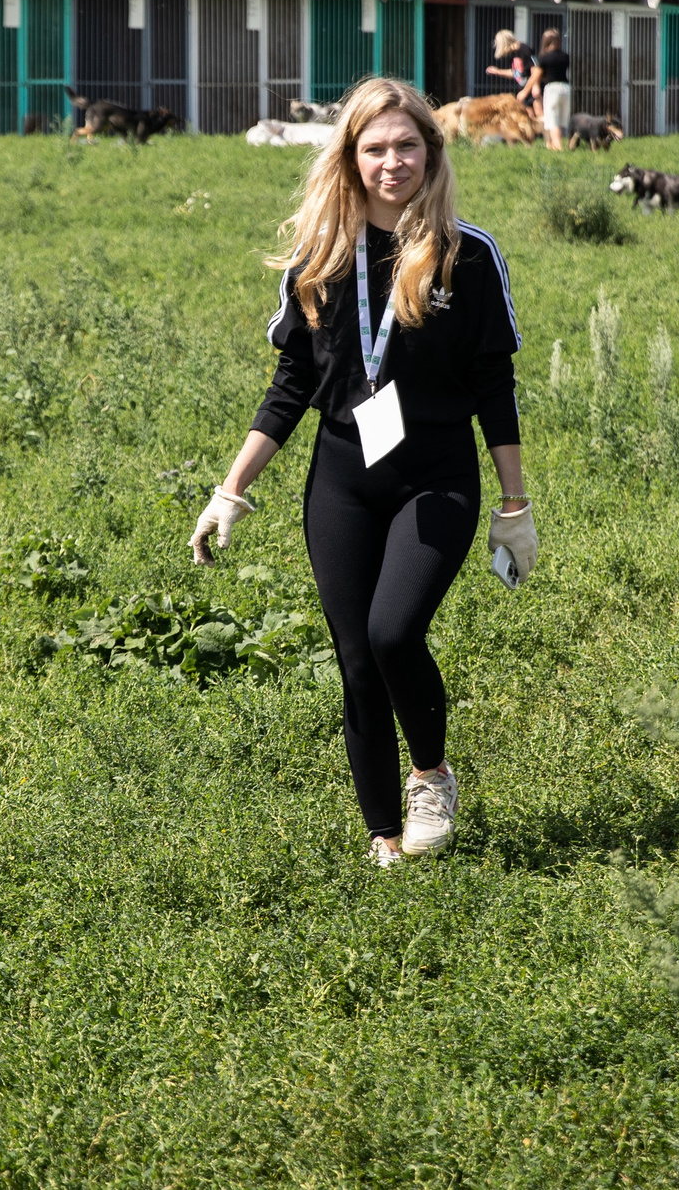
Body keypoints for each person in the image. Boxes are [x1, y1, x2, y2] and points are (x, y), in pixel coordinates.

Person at [189, 78, 532, 869]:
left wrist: (513, 503)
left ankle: (430, 775)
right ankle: (383, 834)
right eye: (374, 148)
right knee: (355, 658)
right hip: (343, 478)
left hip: (435, 475)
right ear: (349, 157)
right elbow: (292, 388)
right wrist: (231, 489)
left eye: (407, 145)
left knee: (392, 632)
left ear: (432, 151)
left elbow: (494, 386)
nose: (392, 161)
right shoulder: (322, 256)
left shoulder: (466, 254)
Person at [528, 27, 572, 151]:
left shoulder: (544, 58)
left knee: (552, 119)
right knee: (562, 120)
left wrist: (525, 91)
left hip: (552, 89)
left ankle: (557, 146)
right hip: (566, 88)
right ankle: (554, 144)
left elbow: (536, 75)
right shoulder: (566, 56)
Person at [483, 30, 531, 103]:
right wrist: (497, 71)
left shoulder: (523, 49)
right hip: (523, 88)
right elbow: (516, 73)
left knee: (538, 113)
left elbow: (536, 71)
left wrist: (526, 91)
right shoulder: (513, 53)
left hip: (531, 89)